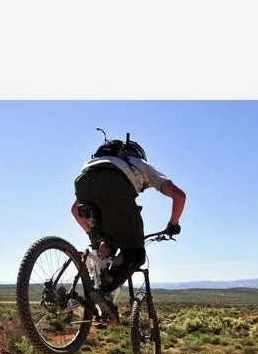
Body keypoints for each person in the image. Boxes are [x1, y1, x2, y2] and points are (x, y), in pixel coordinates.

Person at [71, 134, 186, 322]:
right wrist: (173, 225)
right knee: (136, 253)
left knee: (107, 244)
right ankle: (104, 290)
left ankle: (88, 291)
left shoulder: (98, 165)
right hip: (115, 191)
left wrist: (93, 234)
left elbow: (75, 210)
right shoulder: (139, 165)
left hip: (83, 182)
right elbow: (179, 196)